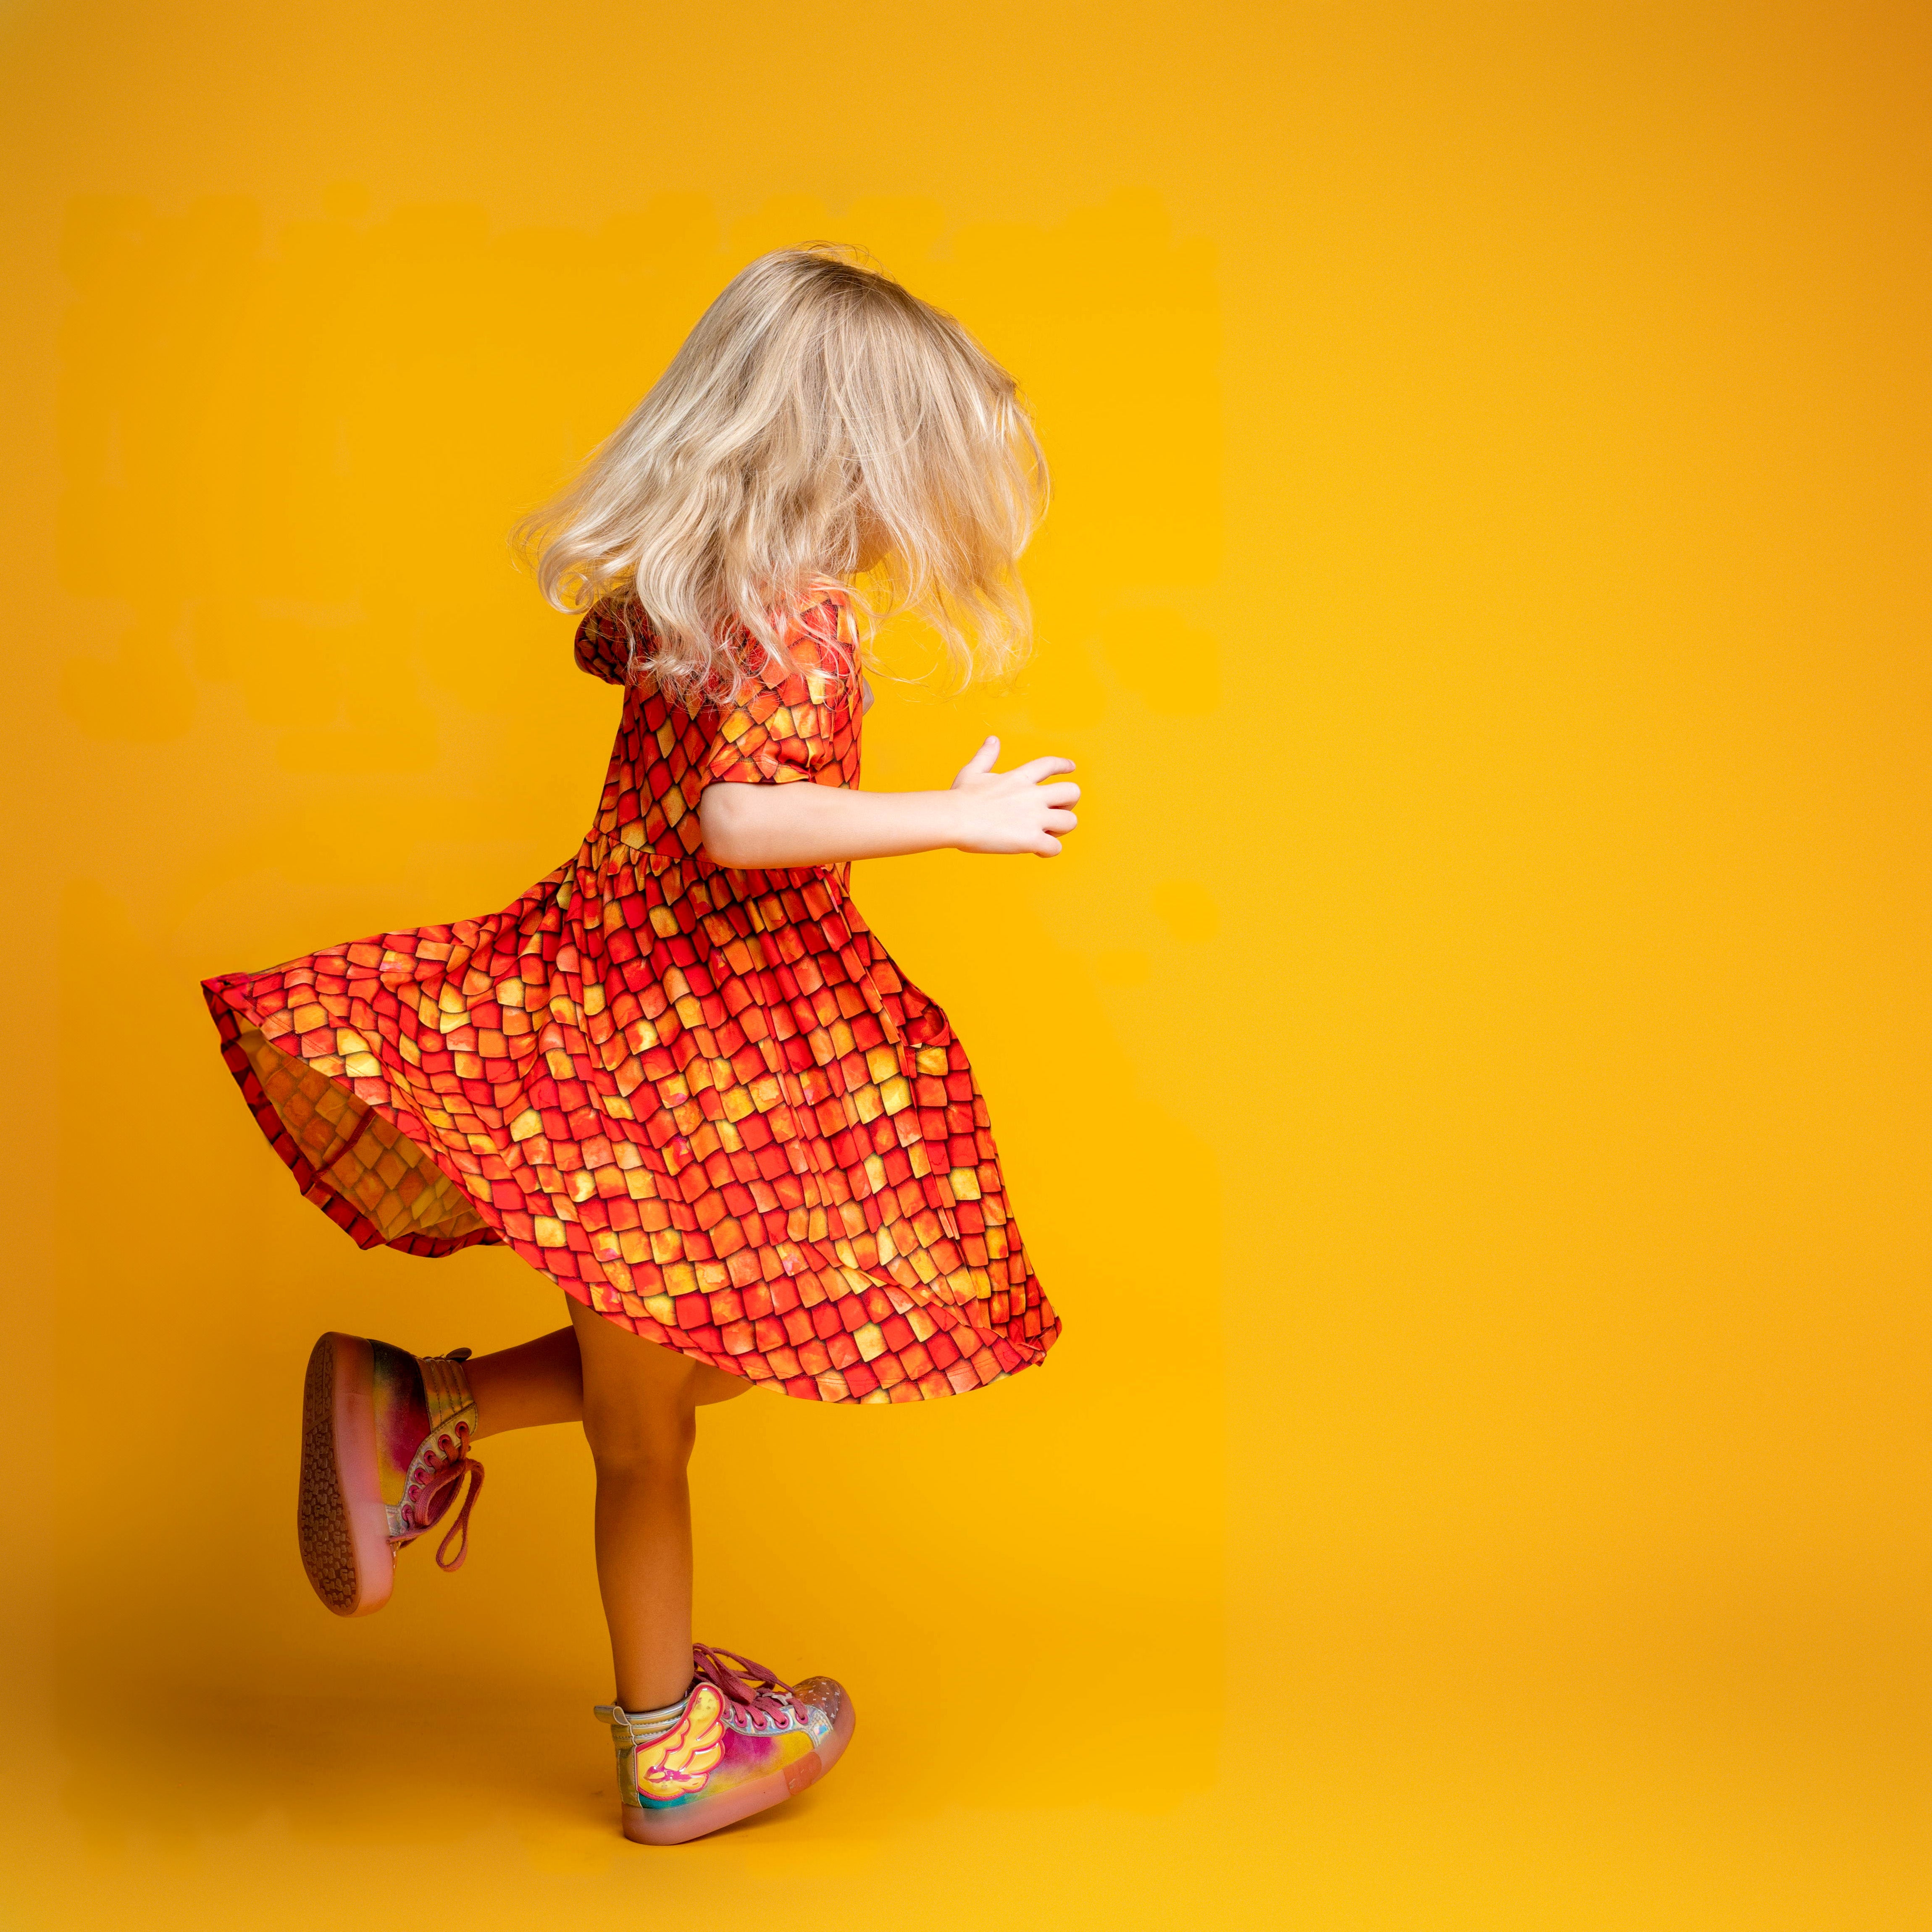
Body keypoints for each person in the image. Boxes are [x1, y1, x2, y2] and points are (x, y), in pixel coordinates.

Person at [200, 245, 1077, 1845]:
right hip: (706, 1055)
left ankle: (452, 1439)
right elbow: (743, 817)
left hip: (619, 1016)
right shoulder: (801, 626)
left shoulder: (691, 599)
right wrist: (956, 816)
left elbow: (620, 667)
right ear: (859, 456)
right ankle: (636, 1696)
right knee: (711, 1369)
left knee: (655, 1411)